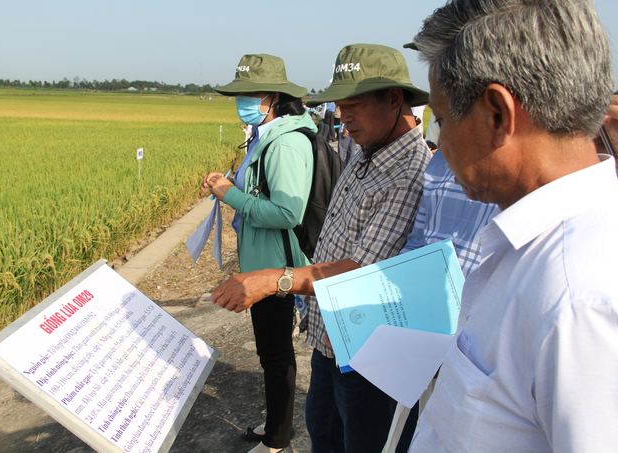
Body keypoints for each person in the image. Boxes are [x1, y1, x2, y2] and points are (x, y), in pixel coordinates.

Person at [408, 0, 618, 451]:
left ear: (497, 115)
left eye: (442, 121)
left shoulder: (580, 298)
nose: (439, 145)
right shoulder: (535, 246)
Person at [211, 43, 433, 453]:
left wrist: (274, 280)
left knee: (362, 442)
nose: (343, 117)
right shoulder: (365, 152)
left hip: (368, 356)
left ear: (394, 98)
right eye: (339, 105)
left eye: (355, 104)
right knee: (324, 434)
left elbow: (362, 270)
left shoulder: (408, 174)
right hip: (330, 339)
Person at [203, 53, 316, 453]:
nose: (241, 103)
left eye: (248, 95)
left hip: (278, 267)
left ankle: (278, 439)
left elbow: (288, 211)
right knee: (273, 351)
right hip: (265, 260)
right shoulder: (266, 134)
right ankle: (276, 425)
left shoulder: (285, 142)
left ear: (272, 97)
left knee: (275, 353)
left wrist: (229, 194)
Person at [381, 149, 500, 452]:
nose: (436, 137)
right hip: (421, 326)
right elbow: (418, 241)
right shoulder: (439, 160)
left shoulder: (521, 172)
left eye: (446, 119)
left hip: (472, 348)